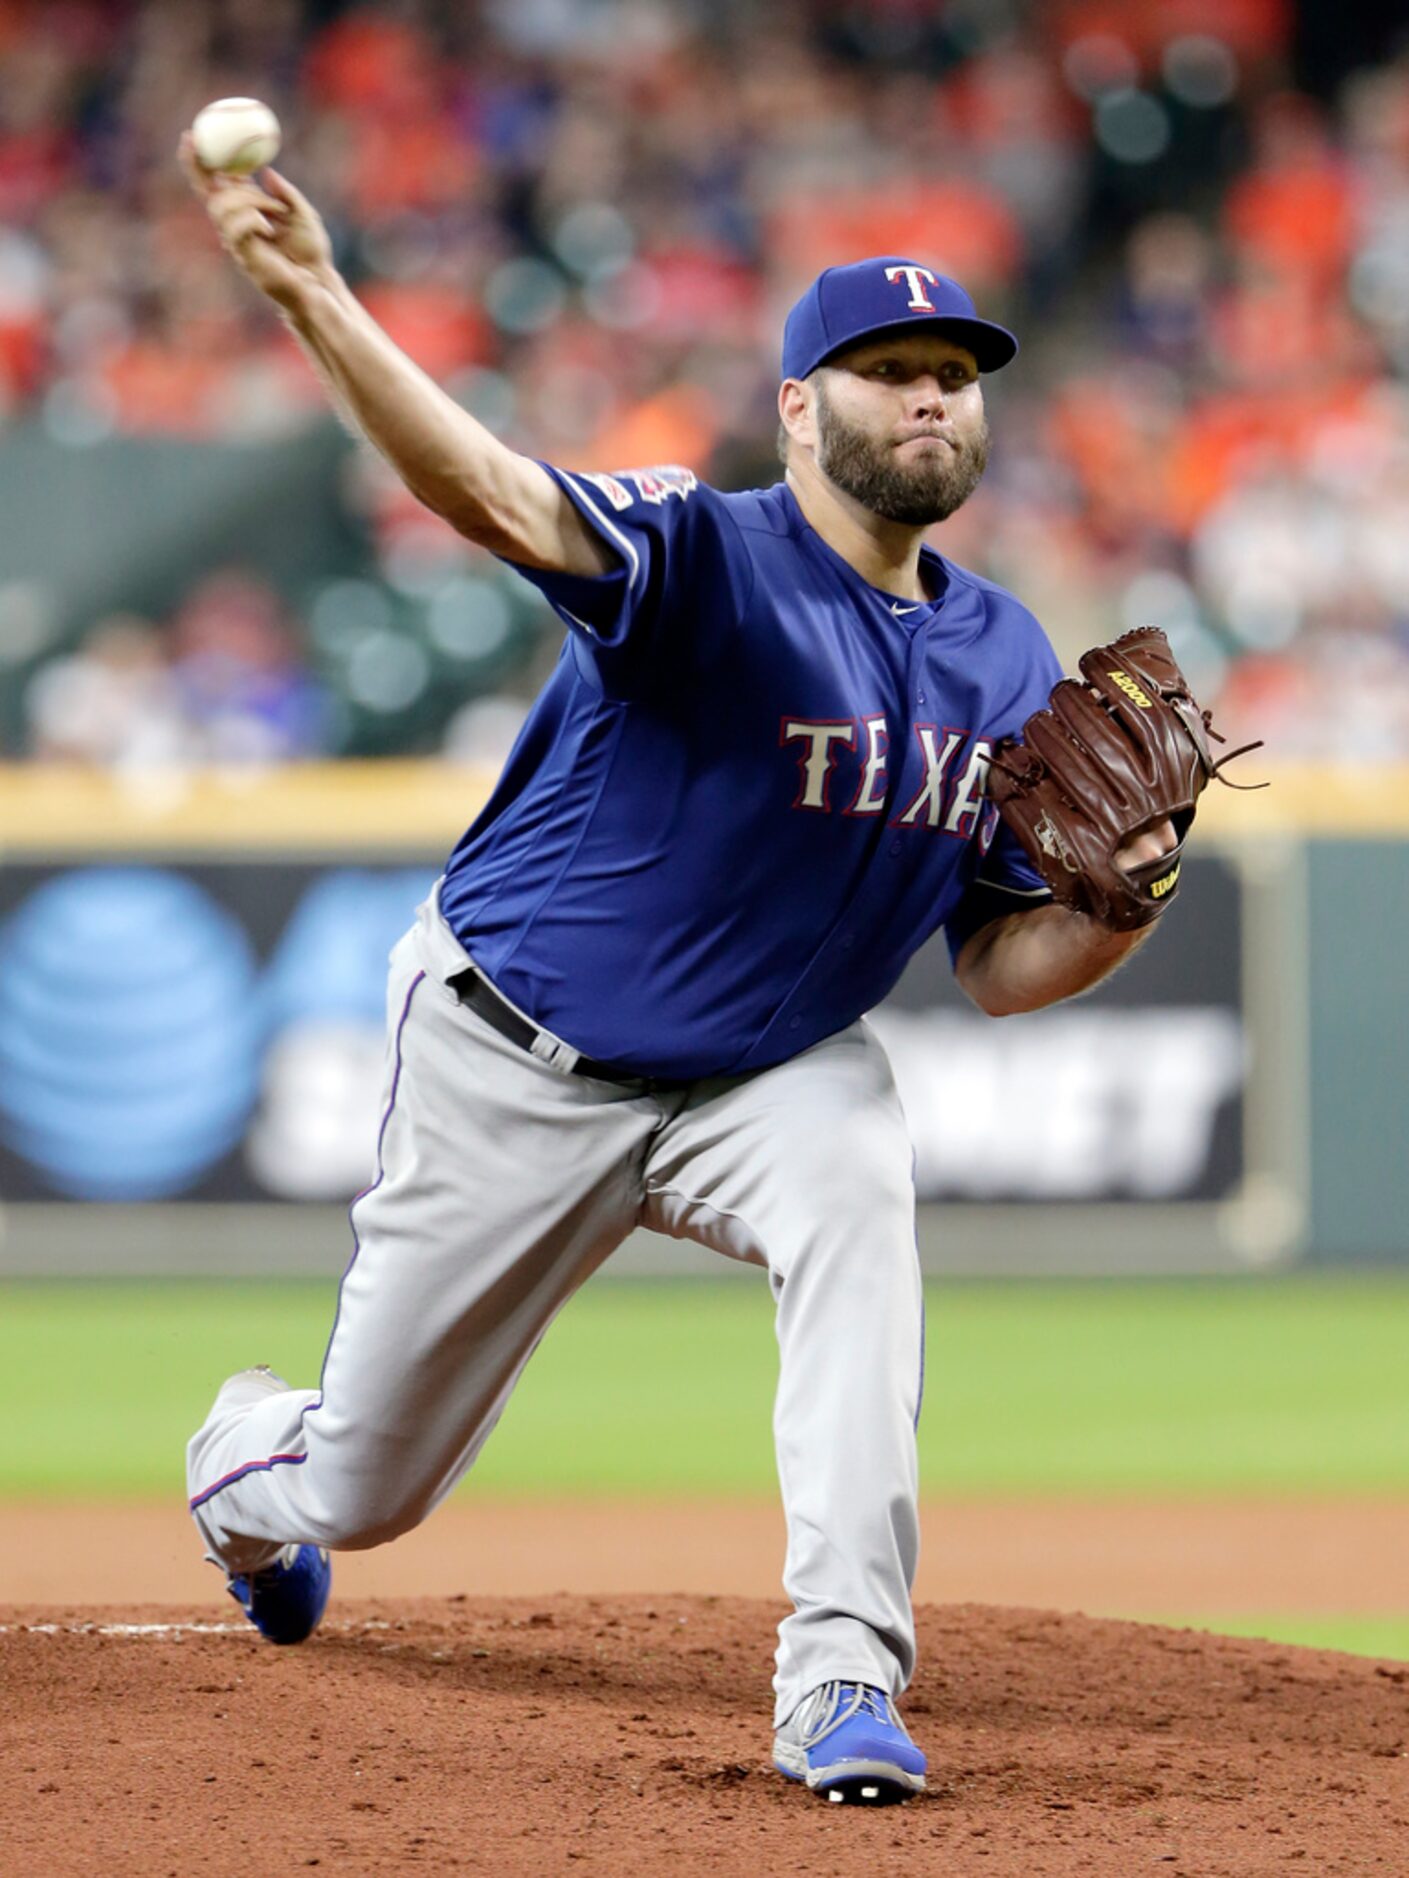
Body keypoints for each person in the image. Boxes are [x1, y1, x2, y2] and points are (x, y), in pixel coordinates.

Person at [179, 141, 1175, 1806]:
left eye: (951, 376)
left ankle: (840, 1673)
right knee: (363, 1484)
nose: (929, 399)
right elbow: (492, 497)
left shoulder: (1003, 651)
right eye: (885, 373)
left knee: (861, 1179)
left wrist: (1124, 906)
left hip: (770, 1073)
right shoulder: (703, 552)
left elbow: (1002, 965)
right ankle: (237, 1466)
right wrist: (313, 293)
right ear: (798, 409)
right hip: (521, 1055)